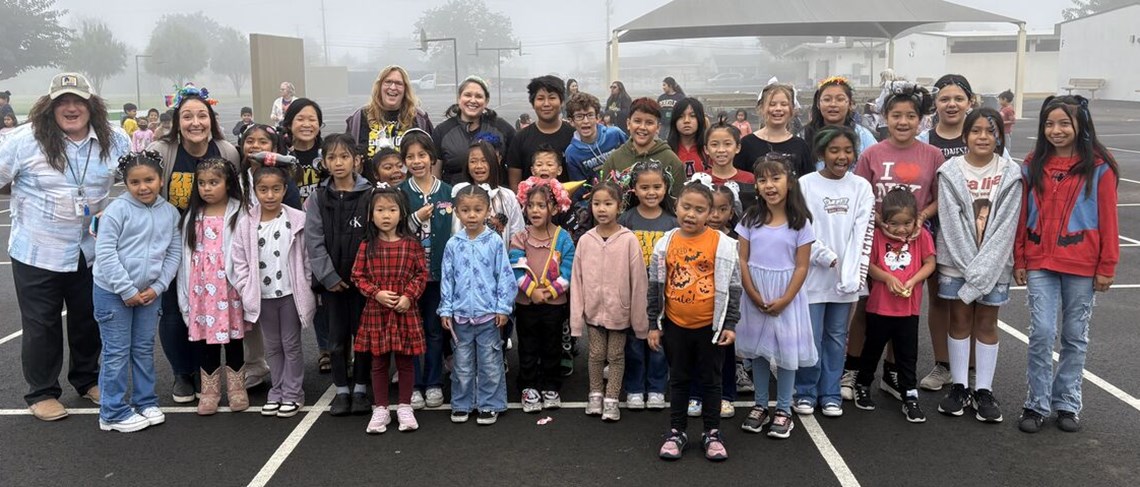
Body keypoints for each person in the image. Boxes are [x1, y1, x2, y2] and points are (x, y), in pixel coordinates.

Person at [0, 73, 130, 421]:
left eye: (78, 101)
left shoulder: (115, 140)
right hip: (37, 249)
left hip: (90, 249)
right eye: (62, 102)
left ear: (91, 104)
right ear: (50, 105)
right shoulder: (22, 140)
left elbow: (134, 181)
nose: (71, 108)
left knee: (89, 318)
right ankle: (42, 391)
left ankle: (87, 380)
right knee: (41, 323)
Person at [1014, 95, 1119, 434]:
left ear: (1080, 125)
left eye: (1063, 123)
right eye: (1049, 123)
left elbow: (1109, 220)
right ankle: (1036, 403)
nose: (1055, 130)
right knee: (1042, 333)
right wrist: (1019, 256)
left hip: (1083, 264)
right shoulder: (1032, 164)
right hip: (1040, 260)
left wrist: (1107, 265)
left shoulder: (1100, 168)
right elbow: (1020, 215)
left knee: (1075, 336)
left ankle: (1067, 402)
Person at [845, 81, 941, 403]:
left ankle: (892, 372)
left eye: (910, 116)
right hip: (875, 239)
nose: (903, 122)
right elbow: (860, 196)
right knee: (868, 308)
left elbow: (938, 198)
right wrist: (879, 224)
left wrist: (919, 219)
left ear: (920, 119)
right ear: (885, 117)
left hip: (912, 240)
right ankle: (857, 369)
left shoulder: (933, 155)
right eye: (896, 115)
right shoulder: (871, 154)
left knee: (902, 306)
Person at [148, 84, 241, 403]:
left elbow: (238, 195)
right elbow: (145, 187)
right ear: (177, 122)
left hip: (215, 248)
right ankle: (182, 372)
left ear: (211, 119)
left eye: (202, 115)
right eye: (187, 116)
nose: (195, 122)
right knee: (173, 310)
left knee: (214, 309)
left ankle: (211, 375)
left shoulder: (226, 151)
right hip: (173, 242)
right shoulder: (163, 152)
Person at [934, 108, 1022, 424]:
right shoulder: (949, 171)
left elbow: (1005, 225)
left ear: (999, 135)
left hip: (995, 262)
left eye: (990, 130)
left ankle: (983, 389)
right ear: (965, 135)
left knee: (986, 322)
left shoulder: (1012, 173)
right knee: (958, 318)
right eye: (976, 131)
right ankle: (959, 386)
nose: (983, 136)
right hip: (957, 262)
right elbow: (951, 222)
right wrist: (972, 268)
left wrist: (985, 267)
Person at [649, 182, 741, 462]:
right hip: (675, 325)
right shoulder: (664, 244)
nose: (691, 214)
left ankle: (712, 433)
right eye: (686, 207)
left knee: (711, 381)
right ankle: (677, 431)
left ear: (711, 213)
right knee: (678, 380)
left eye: (699, 210)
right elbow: (654, 285)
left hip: (710, 329)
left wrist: (730, 324)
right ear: (676, 206)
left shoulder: (723, 245)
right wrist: (653, 324)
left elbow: (734, 287)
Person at [93, 151, 181, 432]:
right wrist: (126, 289)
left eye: (149, 180)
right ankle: (112, 412)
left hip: (148, 295)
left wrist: (157, 287)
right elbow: (105, 252)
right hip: (113, 293)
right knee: (117, 352)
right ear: (126, 183)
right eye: (135, 182)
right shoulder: (118, 210)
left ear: (160, 180)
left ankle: (145, 401)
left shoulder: (169, 212)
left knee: (143, 349)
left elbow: (173, 253)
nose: (143, 187)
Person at [793, 126, 874, 419]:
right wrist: (825, 256)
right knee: (811, 336)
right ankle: (805, 391)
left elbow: (862, 231)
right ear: (821, 153)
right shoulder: (805, 184)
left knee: (837, 336)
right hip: (813, 276)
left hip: (846, 279)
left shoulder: (861, 187)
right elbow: (800, 227)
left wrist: (850, 270)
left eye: (848, 150)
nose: (842, 157)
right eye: (834, 150)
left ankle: (829, 393)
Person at [735, 156, 816, 439]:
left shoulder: (800, 223)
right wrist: (753, 293)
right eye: (762, 180)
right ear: (756, 186)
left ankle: (783, 409)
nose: (769, 185)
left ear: (790, 182)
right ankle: (760, 405)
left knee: (785, 354)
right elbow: (742, 260)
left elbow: (802, 265)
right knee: (757, 352)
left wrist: (785, 299)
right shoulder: (749, 218)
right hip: (755, 293)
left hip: (786, 297)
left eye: (775, 178)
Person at [232, 161, 316, 419]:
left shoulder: (297, 219)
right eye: (263, 189)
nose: (270, 195)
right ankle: (277, 391)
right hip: (262, 296)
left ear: (284, 189)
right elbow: (239, 259)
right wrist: (246, 287)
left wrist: (306, 283)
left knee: (290, 344)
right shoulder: (246, 222)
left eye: (276, 189)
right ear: (254, 190)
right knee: (272, 346)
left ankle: (293, 392)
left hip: (290, 294)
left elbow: (306, 258)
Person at [853, 186, 937, 423]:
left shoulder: (922, 236)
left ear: (915, 220)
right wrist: (888, 278)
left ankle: (909, 394)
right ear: (884, 221)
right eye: (894, 223)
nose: (901, 229)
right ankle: (863, 384)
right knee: (872, 349)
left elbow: (929, 263)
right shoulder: (878, 237)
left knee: (907, 354)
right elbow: (868, 265)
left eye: (907, 223)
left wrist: (912, 280)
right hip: (879, 307)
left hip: (908, 309)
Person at [305, 134, 374, 416]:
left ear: (356, 160)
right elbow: (314, 240)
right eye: (332, 157)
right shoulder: (319, 198)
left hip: (363, 283)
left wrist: (365, 276)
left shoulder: (370, 195)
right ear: (324, 162)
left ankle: (360, 388)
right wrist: (329, 276)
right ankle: (341, 390)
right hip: (332, 284)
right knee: (336, 339)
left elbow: (375, 237)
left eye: (344, 156)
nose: (339, 162)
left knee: (363, 337)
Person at [352, 185, 429, 434]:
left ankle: (405, 406)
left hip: (404, 311)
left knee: (407, 361)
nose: (386, 215)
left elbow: (421, 274)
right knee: (378, 362)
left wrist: (409, 296)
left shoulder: (411, 244)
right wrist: (376, 293)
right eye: (380, 210)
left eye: (392, 209)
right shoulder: (367, 245)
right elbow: (357, 276)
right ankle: (381, 408)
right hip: (377, 312)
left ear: (402, 213)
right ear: (371, 214)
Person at [570, 181, 649, 422]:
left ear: (619, 206)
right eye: (596, 204)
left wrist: (640, 322)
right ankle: (595, 393)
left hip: (619, 312)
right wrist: (576, 320)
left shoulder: (628, 240)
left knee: (615, 356)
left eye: (608, 203)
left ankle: (612, 398)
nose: (602, 209)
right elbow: (577, 280)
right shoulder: (585, 241)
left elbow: (639, 282)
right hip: (593, 313)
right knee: (595, 354)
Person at [176, 157, 250, 416]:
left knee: (233, 340)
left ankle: (237, 388)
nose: (207, 188)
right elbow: (185, 258)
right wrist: (184, 296)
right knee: (206, 342)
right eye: (202, 183)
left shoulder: (240, 212)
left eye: (214, 182)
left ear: (228, 184)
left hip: (229, 289)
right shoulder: (191, 216)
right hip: (202, 291)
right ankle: (209, 391)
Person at [439, 185, 516, 425]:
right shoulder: (453, 244)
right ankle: (462, 403)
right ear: (457, 213)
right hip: (461, 316)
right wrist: (446, 308)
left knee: (490, 362)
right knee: (461, 364)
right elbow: (447, 279)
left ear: (487, 211)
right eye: (465, 210)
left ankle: (490, 403)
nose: (471, 215)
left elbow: (504, 275)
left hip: (488, 316)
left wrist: (503, 308)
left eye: (477, 209)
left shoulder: (494, 242)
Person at [510, 177, 577, 413]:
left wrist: (549, 292)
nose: (535, 210)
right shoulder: (520, 237)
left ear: (555, 207)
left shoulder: (564, 238)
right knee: (527, 345)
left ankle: (551, 384)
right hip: (527, 303)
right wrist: (531, 291)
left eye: (541, 205)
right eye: (531, 206)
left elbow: (568, 269)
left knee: (552, 345)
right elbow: (515, 267)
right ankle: (528, 385)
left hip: (554, 303)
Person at [398, 129, 454, 410]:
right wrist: (416, 218)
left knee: (434, 331)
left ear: (432, 158)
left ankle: (433, 383)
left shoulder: (448, 192)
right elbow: (393, 230)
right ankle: (414, 385)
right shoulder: (400, 193)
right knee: (410, 331)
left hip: (438, 277)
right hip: (409, 277)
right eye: (410, 157)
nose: (417, 161)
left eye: (422, 155)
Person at [618, 161, 677, 411]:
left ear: (666, 188)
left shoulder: (673, 222)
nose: (651, 192)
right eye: (644, 187)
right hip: (633, 291)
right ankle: (633, 388)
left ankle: (655, 388)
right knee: (633, 341)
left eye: (656, 186)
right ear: (634, 189)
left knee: (659, 341)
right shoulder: (626, 220)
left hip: (662, 295)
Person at [433, 76, 515, 185]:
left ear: (486, 101)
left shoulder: (502, 128)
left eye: (479, 96)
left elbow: (515, 167)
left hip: (495, 197)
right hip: (455, 197)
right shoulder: (442, 131)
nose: (473, 100)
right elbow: (435, 174)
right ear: (458, 98)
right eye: (467, 95)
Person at [598, 98, 686, 197]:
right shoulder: (614, 159)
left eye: (649, 123)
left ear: (658, 128)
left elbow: (679, 200)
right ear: (628, 124)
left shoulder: (671, 161)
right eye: (637, 121)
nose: (642, 127)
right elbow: (605, 198)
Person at [346, 65, 435, 159]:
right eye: (388, 82)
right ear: (379, 86)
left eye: (398, 83)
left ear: (405, 89)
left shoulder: (419, 118)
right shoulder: (359, 118)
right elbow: (348, 156)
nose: (393, 87)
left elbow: (432, 155)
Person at [507, 75, 576, 189]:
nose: (546, 103)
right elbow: (515, 184)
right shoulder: (520, 138)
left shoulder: (574, 136)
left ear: (562, 102)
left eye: (552, 98)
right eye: (540, 98)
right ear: (533, 103)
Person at [734, 83, 814, 179]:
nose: (778, 109)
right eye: (772, 104)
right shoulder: (747, 144)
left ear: (792, 109)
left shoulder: (800, 145)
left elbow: (808, 182)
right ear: (761, 108)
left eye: (784, 104)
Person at [453, 139, 524, 245]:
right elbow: (455, 229)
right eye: (473, 161)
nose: (479, 166)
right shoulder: (460, 193)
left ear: (493, 162)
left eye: (484, 160)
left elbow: (517, 234)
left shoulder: (508, 196)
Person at [801, 76, 880, 169]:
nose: (833, 104)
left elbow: (876, 166)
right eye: (827, 99)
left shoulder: (863, 136)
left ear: (850, 104)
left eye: (840, 99)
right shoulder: (804, 135)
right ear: (818, 104)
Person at [563, 92, 628, 199]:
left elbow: (633, 158)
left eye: (590, 115)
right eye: (579, 116)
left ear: (598, 117)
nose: (586, 121)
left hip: (627, 194)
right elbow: (580, 191)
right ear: (571, 121)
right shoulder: (572, 153)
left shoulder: (615, 134)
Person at [237, 124, 302, 211]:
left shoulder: (283, 178)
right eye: (250, 141)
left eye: (263, 142)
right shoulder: (239, 178)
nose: (255, 145)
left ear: (274, 149)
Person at [701, 122, 756, 209]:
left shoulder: (750, 179)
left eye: (727, 144)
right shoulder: (700, 181)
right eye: (714, 144)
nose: (721, 150)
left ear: (738, 147)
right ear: (706, 149)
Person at [281, 98, 325, 201]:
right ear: (289, 124)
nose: (306, 124)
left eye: (312, 119)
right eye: (300, 119)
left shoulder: (327, 153)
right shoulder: (281, 155)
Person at [668, 98, 709, 178]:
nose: (686, 121)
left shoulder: (710, 149)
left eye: (692, 116)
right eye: (681, 116)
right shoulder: (667, 151)